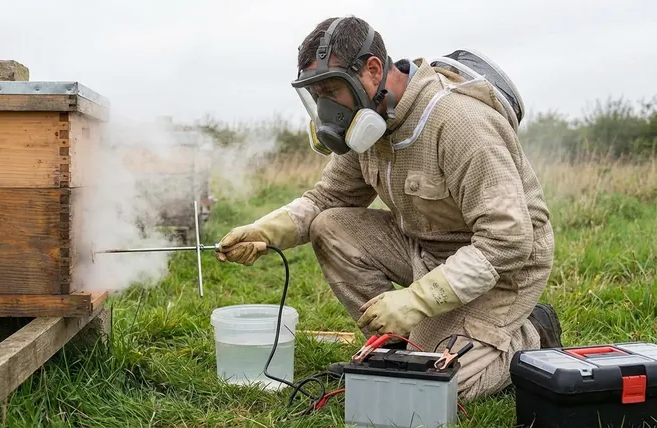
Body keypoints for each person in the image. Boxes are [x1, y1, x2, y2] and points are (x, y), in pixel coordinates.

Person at [215, 15, 563, 401]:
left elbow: (508, 241)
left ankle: (532, 332)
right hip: (428, 250)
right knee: (330, 226)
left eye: (331, 90)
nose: (326, 109)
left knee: (447, 386)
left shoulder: (460, 123)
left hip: (503, 269)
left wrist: (415, 301)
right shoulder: (370, 125)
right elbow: (328, 199)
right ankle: (394, 349)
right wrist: (265, 231)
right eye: (316, 96)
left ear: (373, 70)